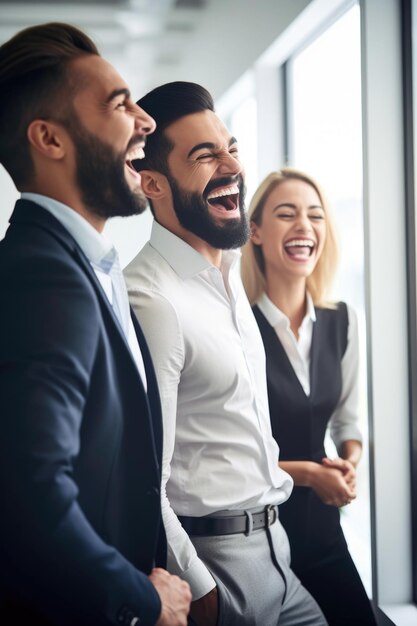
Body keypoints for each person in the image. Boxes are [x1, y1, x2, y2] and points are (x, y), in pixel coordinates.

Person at [0, 23, 191, 626]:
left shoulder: (84, 266)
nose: (147, 120)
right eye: (119, 103)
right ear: (49, 139)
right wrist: (143, 599)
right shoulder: (43, 275)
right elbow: (28, 494)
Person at [124, 81, 327, 626]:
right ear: (152, 184)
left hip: (277, 552)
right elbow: (144, 477)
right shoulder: (151, 298)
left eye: (230, 147)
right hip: (218, 565)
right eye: (204, 155)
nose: (230, 164)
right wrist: (200, 585)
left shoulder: (229, 277)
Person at [240, 167, 377, 626]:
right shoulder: (239, 330)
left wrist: (348, 465)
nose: (305, 226)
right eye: (287, 214)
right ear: (254, 231)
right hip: (253, 540)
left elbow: (348, 423)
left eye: (315, 215)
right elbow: (230, 457)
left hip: (322, 530)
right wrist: (309, 474)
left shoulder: (343, 322)